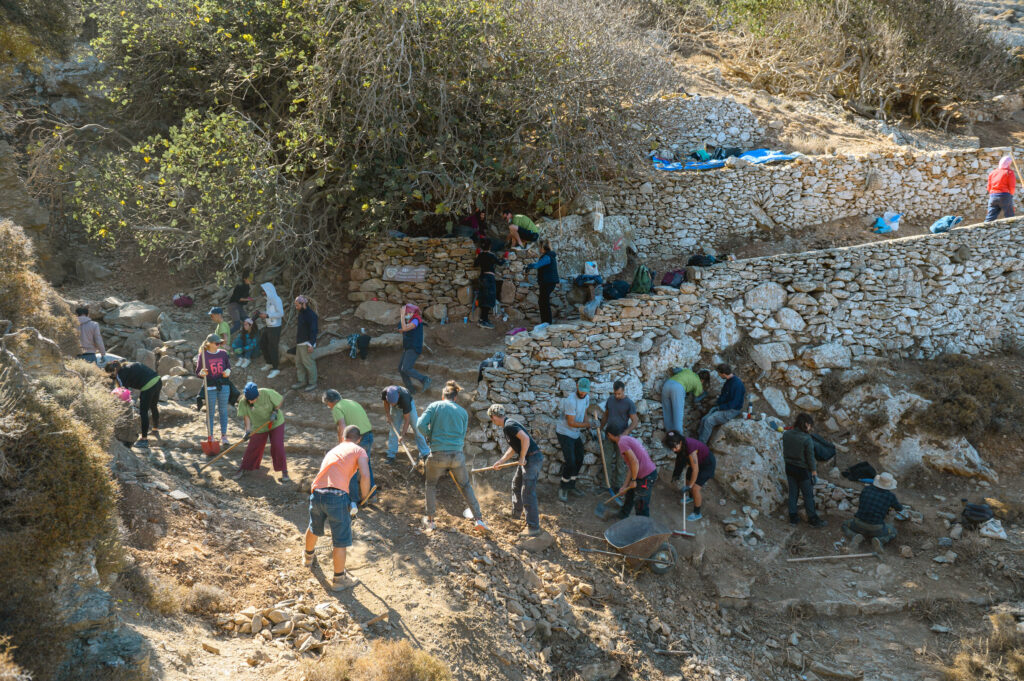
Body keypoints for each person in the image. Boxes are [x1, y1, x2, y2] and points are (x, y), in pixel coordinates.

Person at [303, 425, 372, 591]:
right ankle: (339, 579)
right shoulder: (359, 450)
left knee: (314, 526)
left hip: (317, 492)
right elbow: (365, 474)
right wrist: (365, 497)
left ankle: (307, 558)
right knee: (340, 540)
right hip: (336, 496)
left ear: (343, 436)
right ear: (359, 439)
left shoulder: (334, 450)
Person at [417, 381, 488, 532]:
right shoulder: (462, 412)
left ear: (443, 396)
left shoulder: (435, 406)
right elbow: (462, 434)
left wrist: (430, 436)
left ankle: (430, 521)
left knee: (430, 485)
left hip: (437, 455)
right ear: (455, 398)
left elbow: (420, 425)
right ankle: (479, 520)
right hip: (457, 456)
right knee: (465, 486)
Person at [486, 404, 544, 537]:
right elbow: (513, 447)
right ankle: (516, 514)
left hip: (532, 458)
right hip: (527, 458)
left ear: (494, 417)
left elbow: (525, 439)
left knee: (527, 493)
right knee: (516, 485)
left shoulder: (509, 425)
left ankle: (533, 527)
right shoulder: (508, 426)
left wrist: (522, 457)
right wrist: (501, 461)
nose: (492, 421)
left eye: (492, 419)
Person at [322, 389, 375, 514]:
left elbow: (342, 426)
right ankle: (371, 496)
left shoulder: (336, 408)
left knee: (350, 468)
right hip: (367, 436)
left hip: (355, 439)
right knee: (365, 466)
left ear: (329, 402)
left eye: (327, 404)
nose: (328, 407)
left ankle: (354, 500)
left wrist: (342, 446)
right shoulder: (352, 402)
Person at [235, 381, 289, 481]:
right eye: (249, 400)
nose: (251, 402)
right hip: (259, 425)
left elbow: (280, 400)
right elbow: (246, 417)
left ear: (258, 395)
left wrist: (275, 411)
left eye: (253, 399)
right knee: (253, 446)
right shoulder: (243, 402)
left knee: (277, 445)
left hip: (276, 423)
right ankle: (244, 468)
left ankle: (284, 471)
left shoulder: (267, 393)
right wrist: (247, 431)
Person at [783, 413, 826, 527]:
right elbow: (810, 458)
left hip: (789, 467)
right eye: (810, 425)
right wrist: (814, 473)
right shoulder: (807, 439)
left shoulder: (786, 434)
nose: (811, 428)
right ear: (806, 424)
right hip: (802, 470)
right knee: (808, 495)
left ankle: (793, 518)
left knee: (793, 493)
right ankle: (813, 519)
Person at [106, 360, 161, 448]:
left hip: (148, 385)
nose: (112, 378)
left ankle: (144, 440)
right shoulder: (128, 365)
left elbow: (123, 392)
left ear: (114, 371)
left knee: (143, 411)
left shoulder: (120, 374)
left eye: (111, 375)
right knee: (153, 406)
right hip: (157, 380)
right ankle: (155, 429)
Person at [605, 425, 657, 519]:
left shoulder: (622, 442)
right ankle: (623, 514)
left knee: (641, 503)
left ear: (609, 434)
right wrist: (624, 486)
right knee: (630, 495)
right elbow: (631, 466)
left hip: (646, 475)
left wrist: (633, 480)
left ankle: (643, 528)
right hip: (639, 473)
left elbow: (635, 462)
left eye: (608, 436)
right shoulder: (626, 439)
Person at [843, 472, 903, 553]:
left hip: (858, 524)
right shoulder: (890, 496)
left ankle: (855, 536)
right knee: (893, 532)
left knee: (845, 524)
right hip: (877, 528)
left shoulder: (866, 489)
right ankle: (880, 540)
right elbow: (899, 508)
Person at [556, 378, 594, 502]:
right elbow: (571, 422)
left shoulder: (586, 398)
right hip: (565, 432)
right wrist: (588, 425)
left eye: (585, 391)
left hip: (575, 433)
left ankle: (571, 485)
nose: (583, 393)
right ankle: (563, 487)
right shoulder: (571, 401)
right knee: (571, 461)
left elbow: (585, 414)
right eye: (581, 390)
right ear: (577, 386)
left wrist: (589, 424)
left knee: (579, 459)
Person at [599, 380, 640, 498]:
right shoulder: (610, 400)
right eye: (615, 393)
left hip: (622, 439)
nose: (617, 396)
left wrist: (626, 432)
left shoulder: (629, 403)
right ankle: (606, 486)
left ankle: (618, 487)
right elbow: (606, 415)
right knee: (606, 461)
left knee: (620, 463)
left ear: (623, 391)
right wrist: (600, 427)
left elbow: (635, 420)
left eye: (619, 394)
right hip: (609, 435)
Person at [665, 431, 715, 522]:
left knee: (695, 488)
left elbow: (695, 470)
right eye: (672, 448)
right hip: (698, 462)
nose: (674, 450)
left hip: (707, 465)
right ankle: (691, 497)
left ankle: (697, 513)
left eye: (675, 447)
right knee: (688, 479)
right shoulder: (681, 445)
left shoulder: (690, 448)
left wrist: (690, 486)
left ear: (680, 442)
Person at [195, 333, 232, 447]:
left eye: (219, 343)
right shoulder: (203, 355)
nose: (219, 345)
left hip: (223, 385)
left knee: (223, 411)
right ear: (209, 344)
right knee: (210, 412)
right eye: (217, 343)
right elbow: (198, 372)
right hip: (210, 386)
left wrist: (228, 372)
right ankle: (210, 436)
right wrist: (202, 373)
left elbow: (228, 367)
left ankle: (224, 436)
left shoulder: (223, 353)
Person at [697, 363, 745, 443]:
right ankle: (698, 439)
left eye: (719, 373)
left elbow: (734, 403)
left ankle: (701, 445)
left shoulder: (737, 384)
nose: (718, 375)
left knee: (709, 421)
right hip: (725, 407)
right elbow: (724, 396)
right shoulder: (729, 381)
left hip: (732, 411)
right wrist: (717, 402)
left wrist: (720, 407)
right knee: (704, 419)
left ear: (723, 373)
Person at [381, 384, 430, 462]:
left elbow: (407, 420)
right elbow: (385, 403)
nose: (392, 405)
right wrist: (388, 415)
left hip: (409, 406)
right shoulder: (385, 392)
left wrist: (402, 435)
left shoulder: (405, 398)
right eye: (391, 403)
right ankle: (391, 455)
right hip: (396, 410)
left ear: (398, 396)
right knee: (393, 430)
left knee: (417, 428)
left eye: (393, 403)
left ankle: (425, 453)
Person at [661, 367, 709, 436]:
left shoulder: (688, 371)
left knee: (667, 412)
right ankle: (679, 439)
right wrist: (704, 395)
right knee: (678, 415)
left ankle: (669, 435)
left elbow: (676, 370)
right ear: (703, 380)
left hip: (667, 384)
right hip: (677, 388)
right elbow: (695, 400)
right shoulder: (699, 384)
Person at [398, 303, 430, 393]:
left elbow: (404, 328)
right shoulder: (407, 320)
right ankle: (410, 389)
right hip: (408, 347)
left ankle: (424, 379)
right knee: (401, 368)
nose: (406, 315)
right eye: (405, 313)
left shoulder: (416, 320)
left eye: (407, 313)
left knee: (406, 368)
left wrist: (402, 317)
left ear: (412, 312)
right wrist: (403, 324)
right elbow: (401, 329)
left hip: (414, 347)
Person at [525, 240, 559, 325]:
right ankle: (546, 322)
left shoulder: (548, 256)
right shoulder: (549, 255)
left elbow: (537, 265)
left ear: (543, 247)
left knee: (544, 302)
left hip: (548, 282)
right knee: (543, 302)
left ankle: (547, 323)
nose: (539, 249)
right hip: (548, 282)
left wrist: (529, 266)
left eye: (539, 247)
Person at [473, 238, 505, 329]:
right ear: (490, 246)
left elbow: (475, 264)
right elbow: (500, 263)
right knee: (489, 298)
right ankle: (484, 321)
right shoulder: (491, 255)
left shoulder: (480, 255)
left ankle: (482, 319)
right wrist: (505, 258)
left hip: (482, 278)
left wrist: (476, 254)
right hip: (489, 278)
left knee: (484, 297)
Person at [291, 295, 319, 392]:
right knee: (299, 363)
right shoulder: (301, 313)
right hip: (300, 343)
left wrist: (311, 344)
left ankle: (313, 383)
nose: (296, 307)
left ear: (303, 304)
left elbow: (314, 330)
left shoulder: (311, 315)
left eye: (297, 305)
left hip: (307, 343)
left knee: (309, 363)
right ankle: (301, 381)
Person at [257, 282, 284, 379]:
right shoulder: (268, 300)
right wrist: (264, 314)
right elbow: (271, 312)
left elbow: (281, 313)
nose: (262, 292)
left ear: (269, 290)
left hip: (275, 327)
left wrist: (267, 315)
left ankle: (276, 368)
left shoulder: (277, 300)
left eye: (264, 291)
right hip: (269, 326)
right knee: (263, 343)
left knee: (273, 347)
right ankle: (269, 363)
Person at [985, 155, 1016, 222]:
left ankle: (984, 231)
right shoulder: (1009, 172)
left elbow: (989, 187)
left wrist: (993, 194)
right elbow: (1012, 187)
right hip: (1005, 195)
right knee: (1010, 217)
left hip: (993, 196)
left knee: (990, 218)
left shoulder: (993, 172)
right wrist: (1010, 195)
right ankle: (1012, 231)